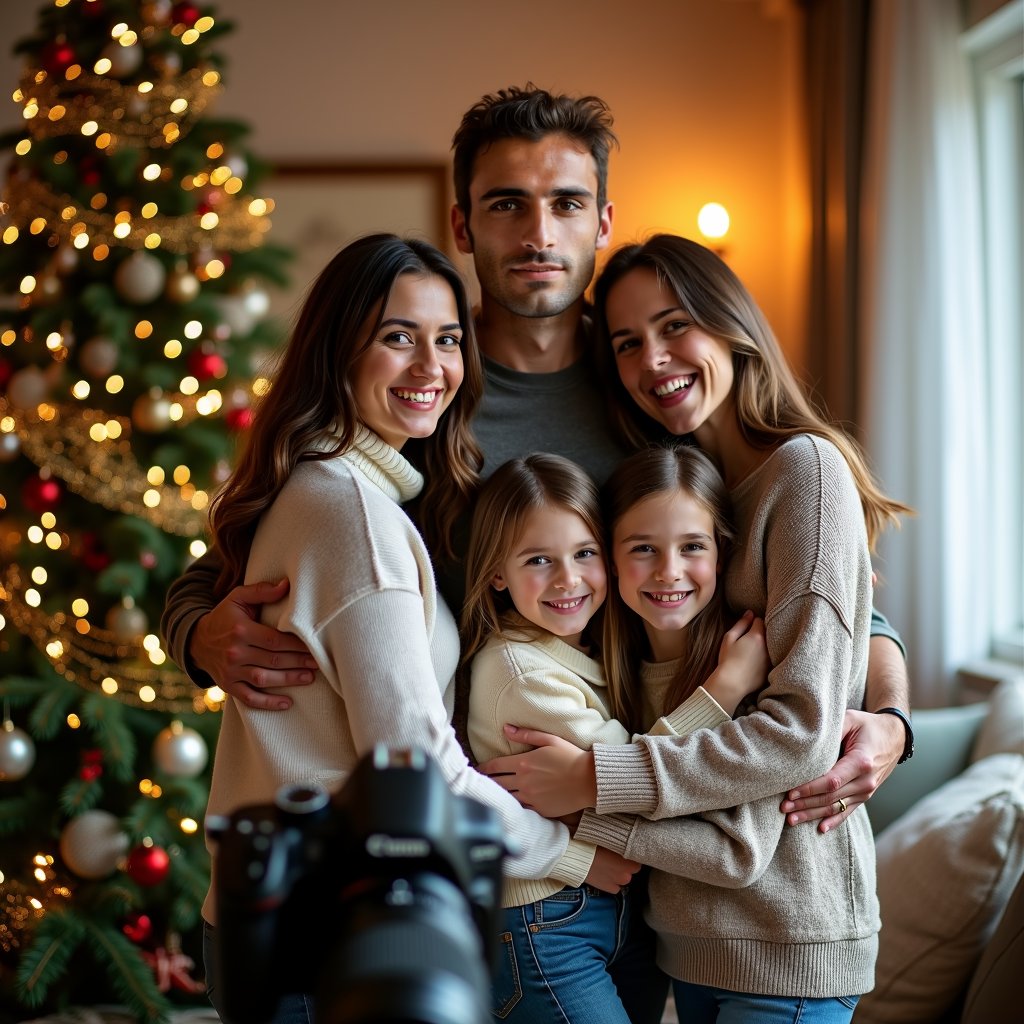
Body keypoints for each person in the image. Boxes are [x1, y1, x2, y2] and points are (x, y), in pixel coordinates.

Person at [161, 85, 911, 834]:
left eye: (567, 204)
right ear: (463, 223)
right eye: (507, 205)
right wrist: (196, 632)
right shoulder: (425, 387)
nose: (538, 235)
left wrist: (890, 718)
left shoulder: (654, 387)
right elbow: (256, 545)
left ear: (603, 222)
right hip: (477, 827)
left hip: (649, 816)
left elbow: (822, 590)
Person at [197, 235, 636, 1024]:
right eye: (398, 337)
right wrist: (566, 853)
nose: (431, 367)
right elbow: (417, 766)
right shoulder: (353, 519)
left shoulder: (336, 490)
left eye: (447, 339)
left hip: (300, 923)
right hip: (326, 940)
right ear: (338, 352)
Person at [478, 235, 913, 1022]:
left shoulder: (803, 472)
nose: (654, 358)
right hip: (691, 931)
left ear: (730, 326)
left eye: (675, 326)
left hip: (787, 931)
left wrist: (589, 789)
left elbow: (803, 728)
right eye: (627, 343)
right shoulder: (681, 487)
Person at [461, 452, 768, 1024]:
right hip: (545, 919)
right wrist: (723, 692)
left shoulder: (584, 651)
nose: (568, 579)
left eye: (584, 554)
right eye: (537, 560)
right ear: (497, 573)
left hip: (605, 911)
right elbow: (633, 776)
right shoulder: (521, 673)